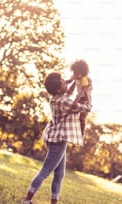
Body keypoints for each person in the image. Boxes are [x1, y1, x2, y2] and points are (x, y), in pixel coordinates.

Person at [22, 72, 92, 204]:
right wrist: (85, 91)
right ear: (59, 88)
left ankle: (54, 202)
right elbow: (87, 107)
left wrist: (72, 80)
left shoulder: (55, 97)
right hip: (58, 141)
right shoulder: (64, 102)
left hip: (55, 137)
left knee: (59, 175)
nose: (66, 82)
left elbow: (67, 92)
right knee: (45, 171)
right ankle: (26, 200)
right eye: (63, 81)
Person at [66, 59, 92, 137]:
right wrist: (62, 82)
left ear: (83, 73)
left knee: (82, 117)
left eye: (77, 73)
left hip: (86, 98)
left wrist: (75, 101)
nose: (75, 75)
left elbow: (83, 91)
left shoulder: (84, 79)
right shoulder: (75, 76)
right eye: (74, 73)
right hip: (80, 97)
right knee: (73, 113)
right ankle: (73, 131)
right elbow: (69, 81)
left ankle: (82, 134)